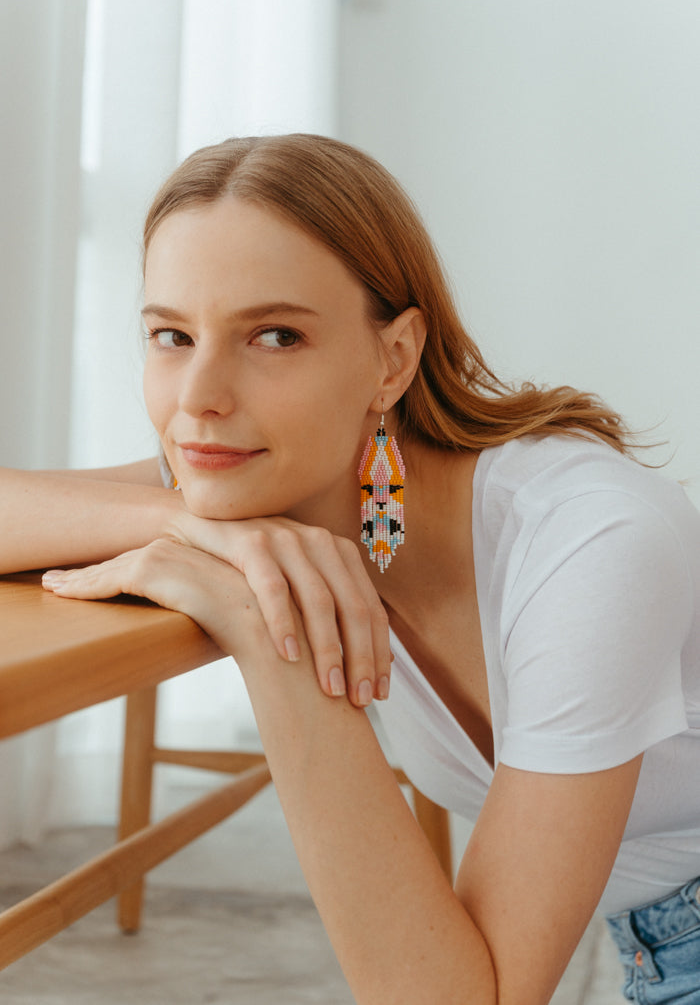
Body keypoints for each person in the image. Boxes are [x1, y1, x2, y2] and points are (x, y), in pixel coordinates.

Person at [2, 134, 699, 1004]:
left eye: (275, 335)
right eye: (172, 335)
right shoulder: (276, 477)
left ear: (393, 358)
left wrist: (264, 633)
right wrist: (178, 518)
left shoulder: (589, 541)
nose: (199, 398)